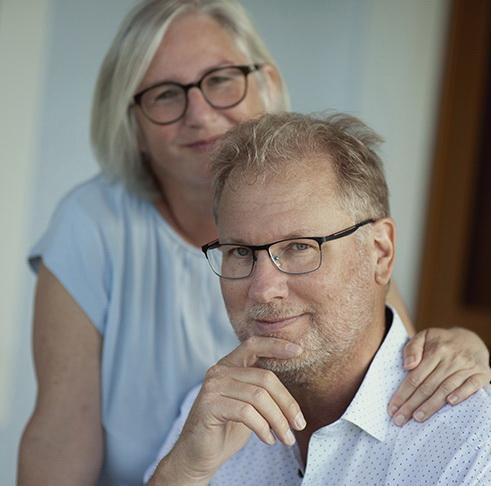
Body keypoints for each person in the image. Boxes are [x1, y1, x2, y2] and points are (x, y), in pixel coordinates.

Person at [17, 1, 491, 485]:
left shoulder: (338, 217)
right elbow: (60, 435)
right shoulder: (93, 226)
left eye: (220, 79)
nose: (200, 113)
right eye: (165, 94)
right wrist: (183, 466)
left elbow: (389, 364)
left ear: (266, 83)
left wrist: (464, 350)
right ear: (133, 122)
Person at [146, 112, 491, 485]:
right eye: (241, 252)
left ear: (380, 252)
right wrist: (184, 471)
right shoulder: (209, 413)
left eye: (299, 247)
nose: (263, 289)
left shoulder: (473, 445)